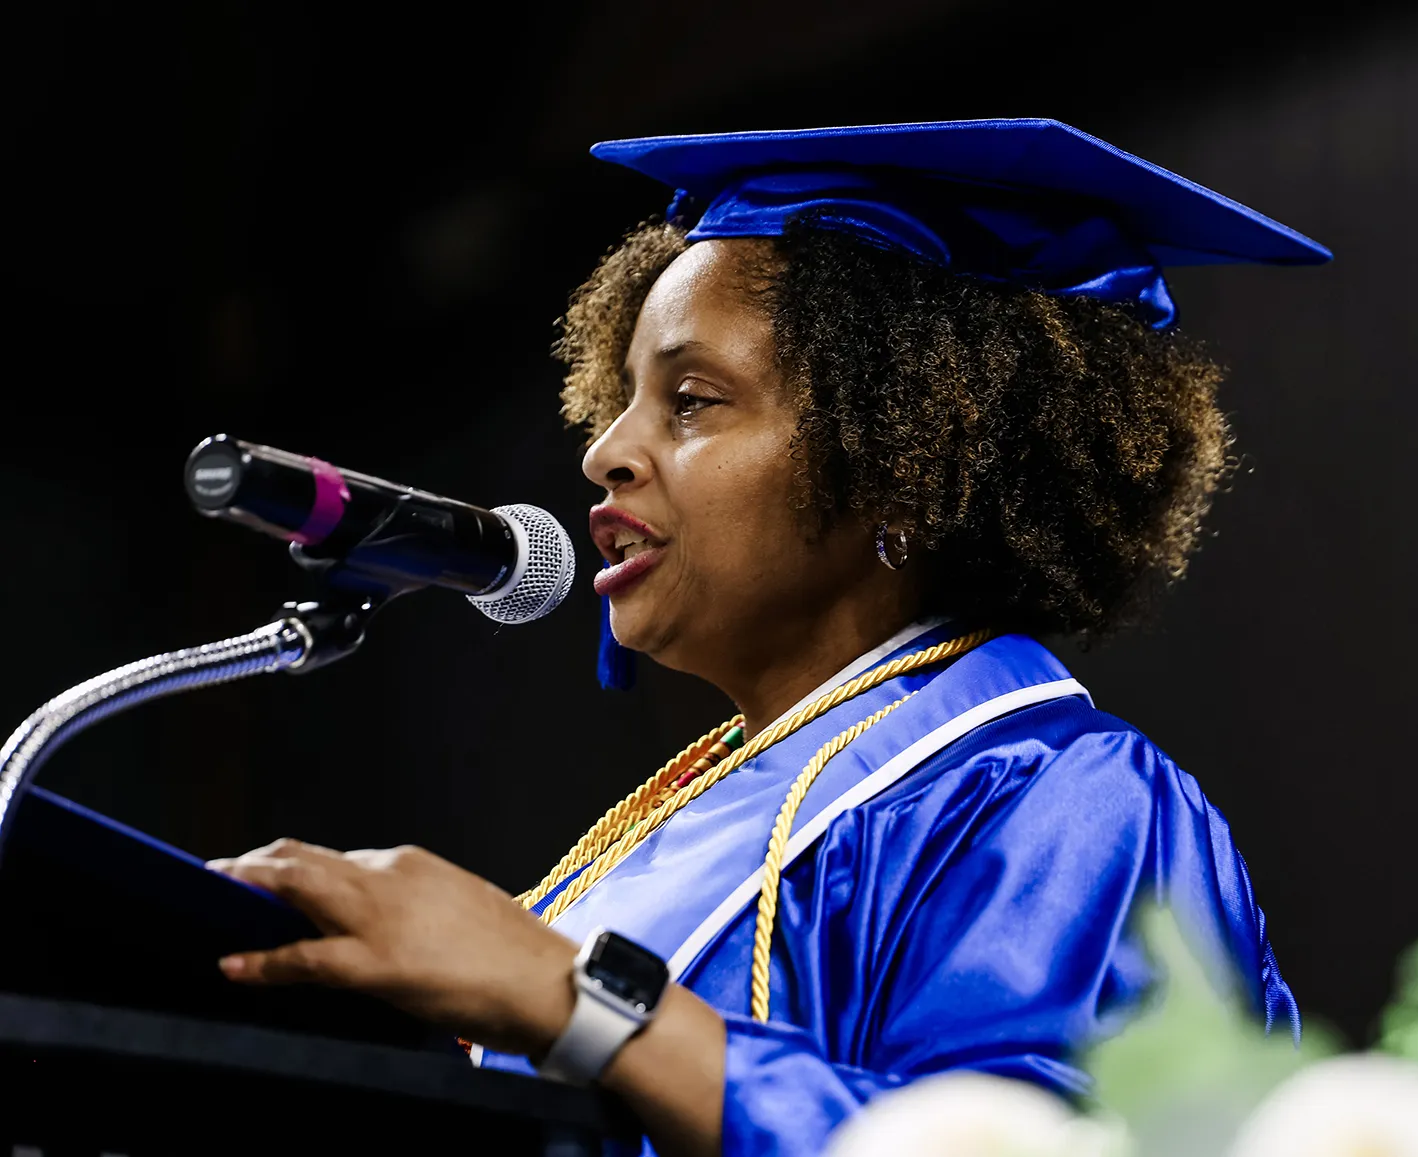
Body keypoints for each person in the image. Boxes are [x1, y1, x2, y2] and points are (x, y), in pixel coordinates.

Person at [208, 119, 1329, 1157]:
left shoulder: (1062, 801)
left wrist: (563, 993)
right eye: (620, 397)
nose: (606, 450)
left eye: (691, 400)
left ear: (904, 456)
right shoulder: (677, 820)